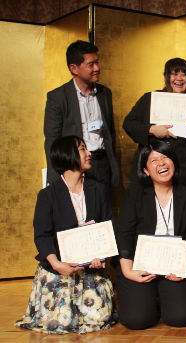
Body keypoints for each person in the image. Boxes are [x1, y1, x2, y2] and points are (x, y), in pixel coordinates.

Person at [15, 136, 116, 334]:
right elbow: (42, 235)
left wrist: (102, 257)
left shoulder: (98, 189)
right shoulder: (47, 195)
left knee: (99, 319)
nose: (89, 154)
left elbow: (107, 226)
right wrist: (56, 263)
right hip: (59, 266)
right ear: (66, 155)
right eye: (82, 149)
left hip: (90, 267)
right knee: (59, 322)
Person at [115, 140, 186, 330]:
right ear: (145, 170)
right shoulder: (136, 192)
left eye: (165, 157)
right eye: (154, 160)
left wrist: (182, 267)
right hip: (141, 263)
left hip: (173, 265)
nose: (161, 163)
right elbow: (124, 232)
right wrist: (128, 269)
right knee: (137, 320)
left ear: (174, 162)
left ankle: (163, 297)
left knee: (182, 318)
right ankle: (150, 298)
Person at [44, 40, 119, 193]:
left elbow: (110, 133)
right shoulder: (58, 97)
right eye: (91, 65)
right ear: (74, 68)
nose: (97, 68)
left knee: (100, 214)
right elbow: (52, 141)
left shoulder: (105, 93)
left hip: (101, 165)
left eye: (97, 63)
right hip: (73, 167)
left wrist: (113, 169)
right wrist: (54, 180)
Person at [124, 57, 186, 189]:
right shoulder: (150, 98)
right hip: (155, 168)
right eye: (175, 74)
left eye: (184, 74)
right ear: (166, 77)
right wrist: (152, 130)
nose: (180, 78)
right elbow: (128, 124)